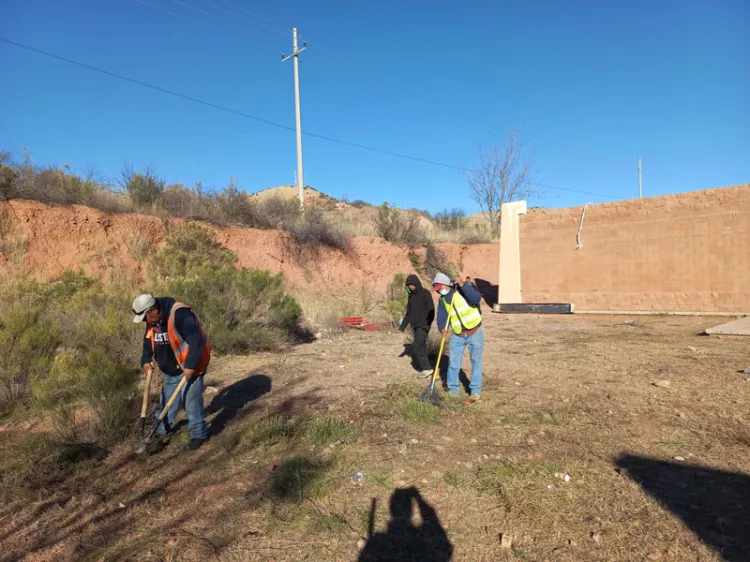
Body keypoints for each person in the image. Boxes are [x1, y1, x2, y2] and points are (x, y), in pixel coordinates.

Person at [132, 293, 212, 451]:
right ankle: (160, 431)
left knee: (191, 402)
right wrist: (146, 360)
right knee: (167, 403)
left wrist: (189, 366)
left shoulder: (180, 314)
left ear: (153, 310)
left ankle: (199, 434)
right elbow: (148, 342)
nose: (144, 322)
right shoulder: (152, 321)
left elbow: (197, 341)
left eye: (144, 317)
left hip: (191, 366)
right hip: (171, 370)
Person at [432, 272, 484, 405]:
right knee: (453, 363)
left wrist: (462, 284)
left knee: (476, 362)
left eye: (440, 288)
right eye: (437, 289)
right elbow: (442, 316)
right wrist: (442, 327)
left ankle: (475, 391)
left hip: (474, 331)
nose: (439, 291)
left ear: (446, 284)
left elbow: (476, 298)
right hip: (458, 334)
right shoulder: (443, 299)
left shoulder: (461, 290)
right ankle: (453, 390)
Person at [399, 274, 435, 377]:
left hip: (423, 326)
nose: (410, 286)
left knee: (416, 345)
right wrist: (403, 326)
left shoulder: (425, 293)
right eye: (408, 285)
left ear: (417, 283)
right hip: (415, 326)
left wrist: (427, 324)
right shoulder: (411, 297)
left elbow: (431, 310)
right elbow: (408, 313)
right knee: (422, 347)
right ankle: (427, 368)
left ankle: (427, 368)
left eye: (412, 284)